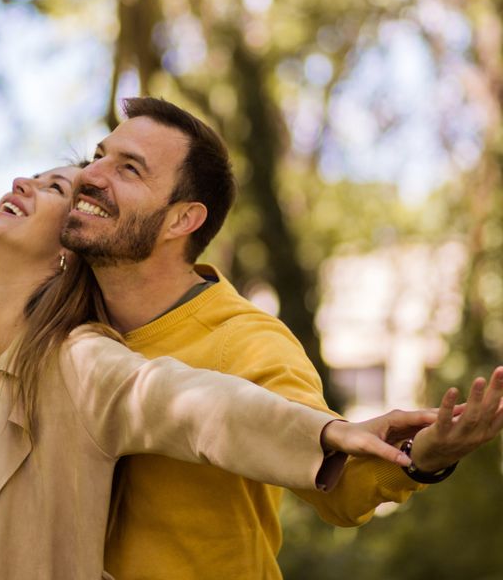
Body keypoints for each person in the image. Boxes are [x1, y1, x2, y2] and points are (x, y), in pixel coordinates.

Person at [0, 164, 438, 580]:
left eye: (53, 189)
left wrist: (327, 432)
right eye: (34, 176)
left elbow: (193, 403)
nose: (23, 182)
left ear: (72, 245)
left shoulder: (80, 364)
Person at [56, 96, 503, 580]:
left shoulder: (246, 340)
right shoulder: (61, 321)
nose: (92, 174)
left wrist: (422, 457)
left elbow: (334, 486)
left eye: (129, 169)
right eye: (99, 155)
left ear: (181, 220)